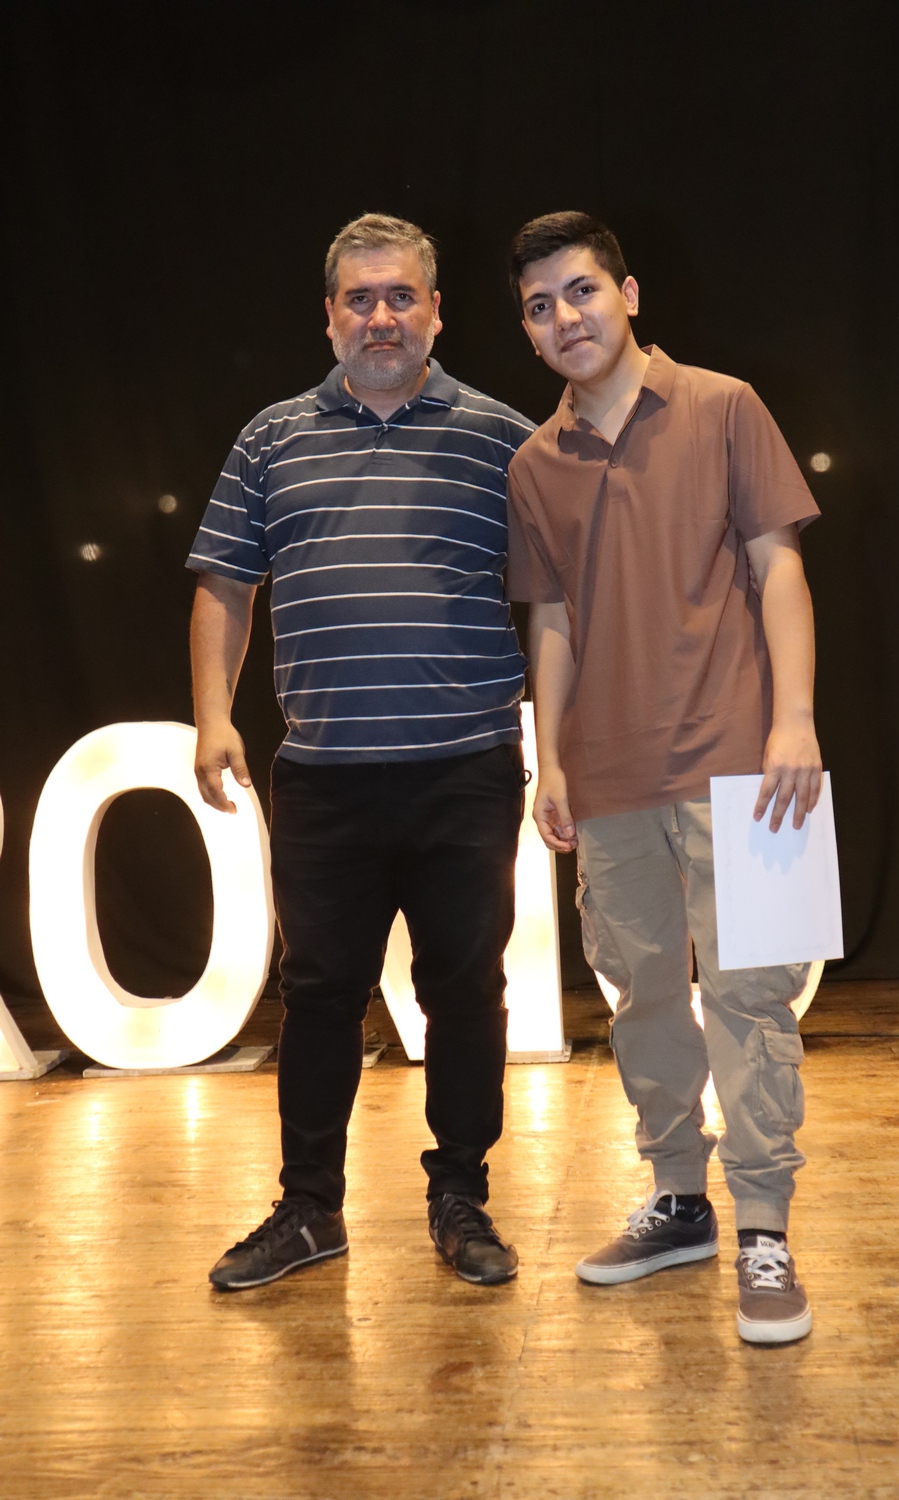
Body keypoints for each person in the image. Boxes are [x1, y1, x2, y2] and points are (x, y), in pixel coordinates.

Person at [188, 214, 533, 1291]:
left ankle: (461, 1195)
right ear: (329, 315)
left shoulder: (503, 438)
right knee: (320, 994)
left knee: (464, 991)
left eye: (400, 296)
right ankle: (309, 1209)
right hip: (324, 779)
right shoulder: (270, 439)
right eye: (360, 298)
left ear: (436, 311)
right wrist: (212, 716)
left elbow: (564, 601)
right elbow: (224, 585)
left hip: (465, 769)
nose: (380, 317)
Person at [505, 211, 821, 1344]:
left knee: (751, 997)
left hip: (745, 763)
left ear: (628, 293)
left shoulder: (725, 405)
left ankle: (765, 1228)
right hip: (609, 774)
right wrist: (551, 757)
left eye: (581, 291)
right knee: (639, 995)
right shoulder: (534, 464)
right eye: (538, 306)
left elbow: (779, 568)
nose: (564, 318)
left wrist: (795, 720)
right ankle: (680, 1201)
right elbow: (551, 621)